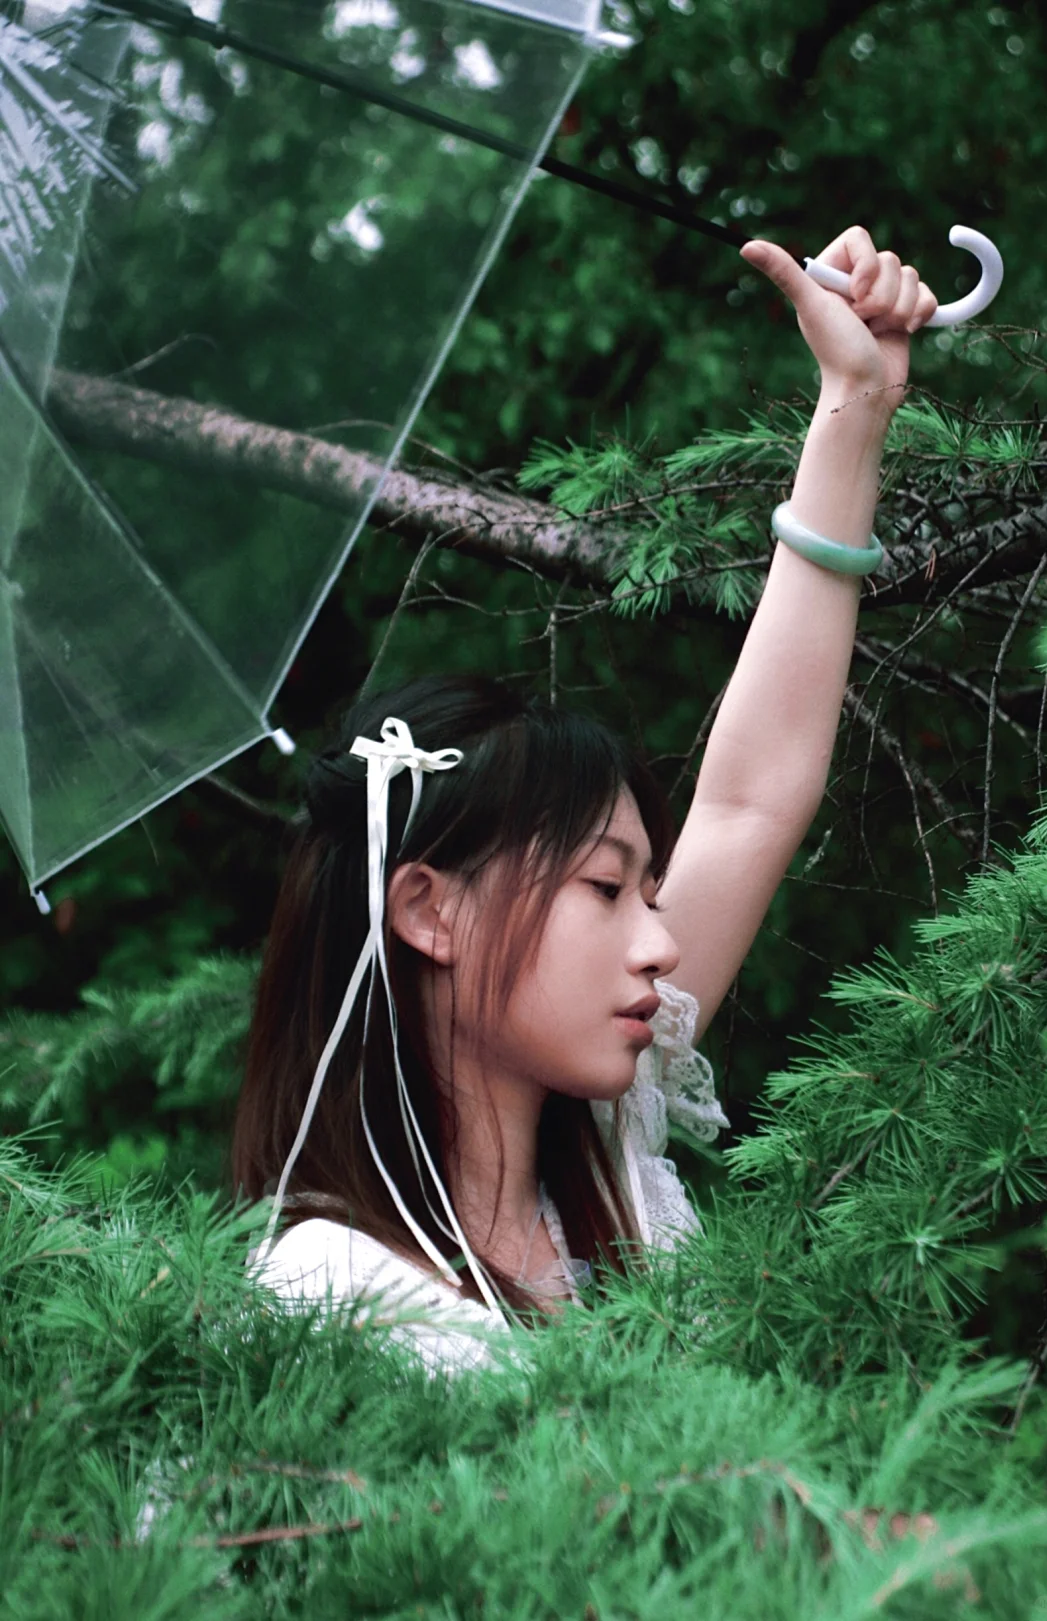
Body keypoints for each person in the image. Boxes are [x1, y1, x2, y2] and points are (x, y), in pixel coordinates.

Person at [234, 225, 939, 1377]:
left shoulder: (609, 1158)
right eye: (605, 887)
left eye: (649, 889)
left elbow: (752, 797)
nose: (660, 944)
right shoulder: (322, 1303)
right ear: (429, 909)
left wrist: (857, 403)